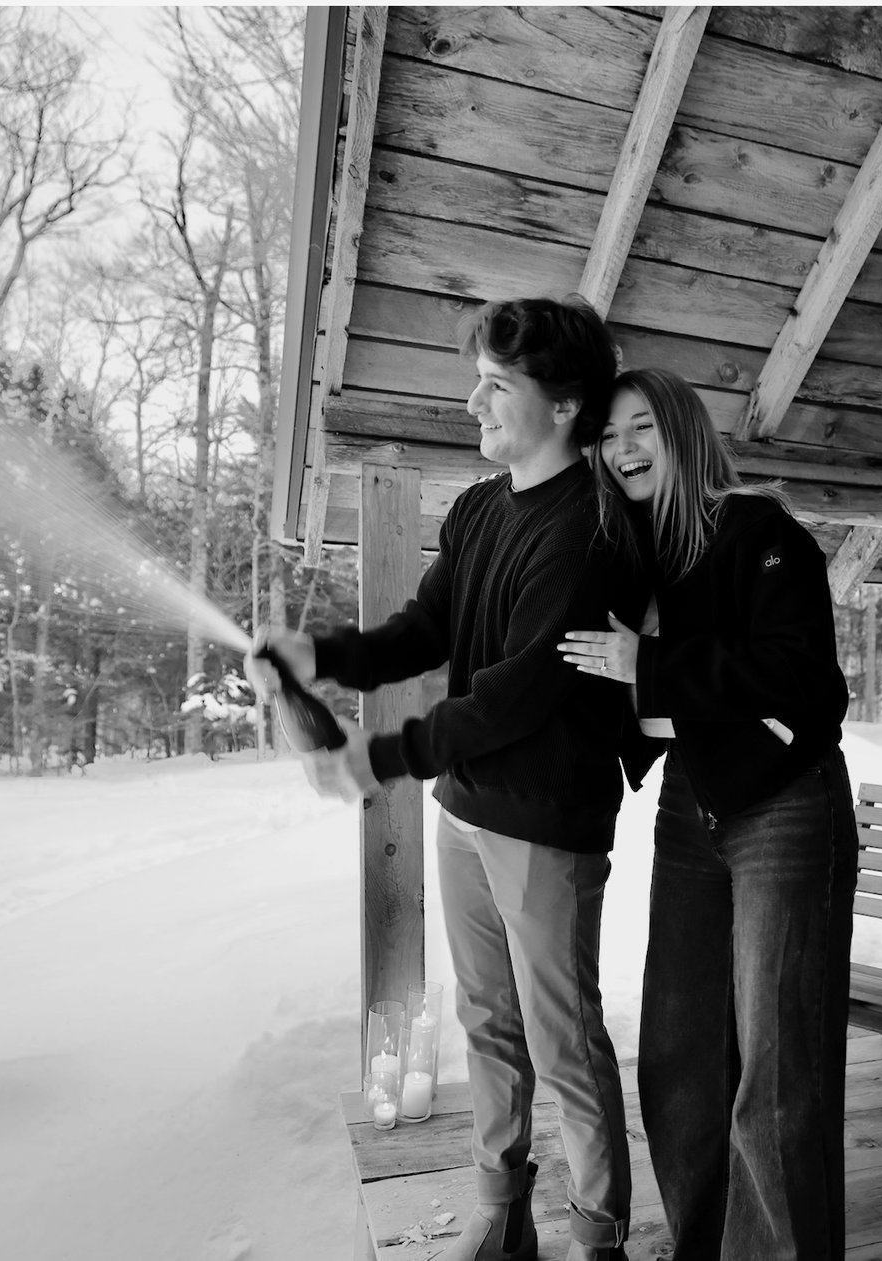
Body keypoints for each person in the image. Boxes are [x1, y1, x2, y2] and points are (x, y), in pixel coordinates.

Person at [255, 296, 642, 1261]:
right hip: (465, 811)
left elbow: (517, 693)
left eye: (496, 385)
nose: (473, 401)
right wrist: (324, 655)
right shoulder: (477, 510)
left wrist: (377, 758)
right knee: (486, 1023)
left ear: (563, 406)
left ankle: (598, 1237)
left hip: (546, 820)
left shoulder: (590, 529)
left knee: (564, 1041)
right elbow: (425, 631)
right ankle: (500, 1211)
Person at [558, 367, 858, 1261]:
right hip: (693, 807)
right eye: (609, 438)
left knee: (776, 1072)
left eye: (641, 427)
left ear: (683, 432)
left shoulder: (757, 531)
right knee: (680, 1054)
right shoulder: (639, 555)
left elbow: (806, 682)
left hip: (786, 806)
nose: (623, 451)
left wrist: (647, 663)